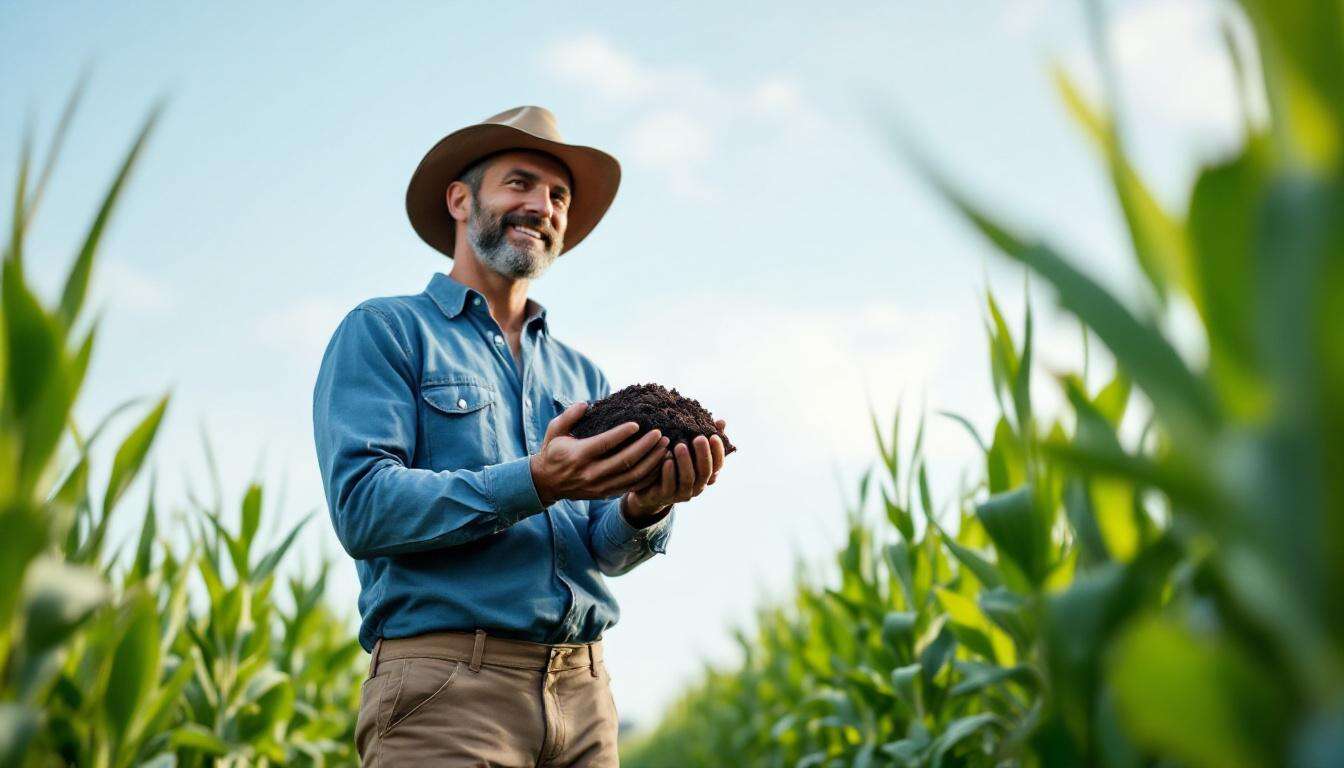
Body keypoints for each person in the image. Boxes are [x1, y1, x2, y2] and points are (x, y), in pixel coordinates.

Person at [312, 105, 729, 766]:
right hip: (449, 692)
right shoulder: (387, 332)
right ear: (460, 199)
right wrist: (536, 480)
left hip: (586, 696)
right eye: (520, 183)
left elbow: (603, 550)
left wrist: (646, 507)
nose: (543, 205)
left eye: (558, 196)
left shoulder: (581, 374)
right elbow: (365, 508)